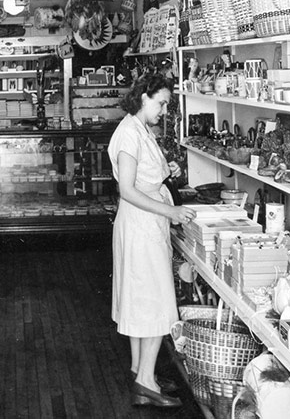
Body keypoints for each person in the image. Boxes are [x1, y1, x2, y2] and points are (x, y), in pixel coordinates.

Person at [107, 74, 196, 408]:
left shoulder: (139, 129)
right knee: (155, 302)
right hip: (141, 226)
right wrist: (170, 211)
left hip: (144, 226)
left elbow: (142, 175)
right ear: (144, 97)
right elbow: (127, 190)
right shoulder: (129, 133)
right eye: (161, 102)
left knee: (140, 299)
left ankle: (138, 370)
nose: (164, 109)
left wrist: (164, 170)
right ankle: (146, 382)